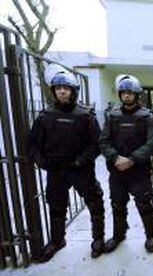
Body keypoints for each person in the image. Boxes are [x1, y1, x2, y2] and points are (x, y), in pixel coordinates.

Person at [28, 71, 105, 261]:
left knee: (95, 203)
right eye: (58, 88)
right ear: (54, 91)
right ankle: (57, 240)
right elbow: (33, 143)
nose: (62, 92)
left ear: (73, 91)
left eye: (66, 88)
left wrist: (81, 160)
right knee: (56, 206)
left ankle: (98, 239)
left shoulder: (85, 115)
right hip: (56, 170)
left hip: (81, 169)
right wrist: (40, 161)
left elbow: (97, 143)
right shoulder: (45, 116)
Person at [99, 75, 153, 253]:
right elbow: (103, 141)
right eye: (123, 93)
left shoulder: (147, 116)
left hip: (139, 170)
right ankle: (119, 235)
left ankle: (150, 235)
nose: (126, 96)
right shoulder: (112, 115)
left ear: (137, 95)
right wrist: (115, 158)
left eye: (130, 93)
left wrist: (132, 159)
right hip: (117, 170)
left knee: (144, 204)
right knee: (117, 204)